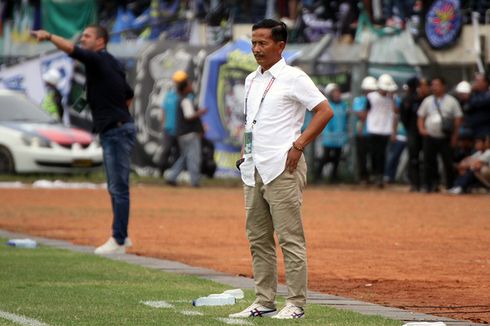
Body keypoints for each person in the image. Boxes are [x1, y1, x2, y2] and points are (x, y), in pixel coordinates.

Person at [230, 19, 333, 320]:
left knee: (290, 238)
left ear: (280, 45)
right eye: (254, 42)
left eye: (263, 43)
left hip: (282, 166)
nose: (256, 49)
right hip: (253, 166)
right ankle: (264, 301)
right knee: (258, 238)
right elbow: (252, 122)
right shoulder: (252, 80)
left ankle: (296, 304)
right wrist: (244, 152)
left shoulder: (293, 77)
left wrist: (299, 144)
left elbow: (324, 111)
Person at [31, 25, 136, 254]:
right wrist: (116, 112)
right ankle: (123, 236)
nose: (83, 39)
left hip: (116, 131)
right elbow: (128, 95)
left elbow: (71, 49)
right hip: (118, 128)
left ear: (100, 42)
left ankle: (118, 240)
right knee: (118, 187)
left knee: (118, 188)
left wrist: (48, 36)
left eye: (88, 36)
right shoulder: (111, 63)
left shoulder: (97, 59)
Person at [417, 77, 463, 192]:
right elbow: (421, 116)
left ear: (444, 86)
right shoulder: (427, 101)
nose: (434, 87)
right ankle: (430, 185)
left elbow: (458, 119)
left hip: (445, 137)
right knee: (428, 161)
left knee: (448, 161)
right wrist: (422, 129)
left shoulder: (451, 101)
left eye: (437, 85)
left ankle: (450, 185)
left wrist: (454, 136)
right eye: (432, 85)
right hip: (430, 136)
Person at [164, 70, 207, 187]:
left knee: (185, 157)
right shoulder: (186, 99)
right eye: (188, 84)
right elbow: (189, 116)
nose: (191, 85)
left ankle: (171, 176)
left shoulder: (181, 98)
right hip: (189, 133)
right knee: (194, 157)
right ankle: (195, 181)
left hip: (182, 133)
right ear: (184, 88)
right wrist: (200, 113)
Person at [366, 73, 398, 188]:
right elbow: (365, 111)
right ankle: (374, 175)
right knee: (374, 154)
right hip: (373, 129)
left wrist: (393, 131)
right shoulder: (371, 97)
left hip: (385, 130)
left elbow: (395, 113)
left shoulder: (392, 99)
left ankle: (380, 176)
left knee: (382, 154)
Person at [399, 77, 430, 191]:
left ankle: (427, 183)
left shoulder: (427, 99)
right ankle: (415, 183)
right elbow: (404, 117)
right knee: (414, 158)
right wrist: (410, 129)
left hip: (426, 131)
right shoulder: (408, 100)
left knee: (427, 158)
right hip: (413, 131)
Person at [314, 83, 348, 183]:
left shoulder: (343, 105)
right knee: (325, 157)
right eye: (334, 93)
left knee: (337, 158)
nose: (337, 95)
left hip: (340, 136)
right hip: (328, 136)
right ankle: (318, 176)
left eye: (338, 92)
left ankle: (334, 177)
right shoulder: (327, 105)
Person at [352, 76, 377, 184]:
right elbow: (361, 115)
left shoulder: (377, 101)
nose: (370, 93)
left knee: (374, 156)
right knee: (362, 156)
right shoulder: (359, 100)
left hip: (374, 132)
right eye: (368, 90)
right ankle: (363, 177)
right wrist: (369, 107)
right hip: (362, 133)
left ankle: (374, 176)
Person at [158, 79, 180, 176]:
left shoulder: (183, 96)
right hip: (168, 128)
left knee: (178, 153)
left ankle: (174, 175)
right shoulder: (168, 95)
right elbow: (163, 110)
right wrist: (163, 124)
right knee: (166, 150)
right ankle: (161, 172)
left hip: (180, 130)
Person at [466, 73, 490, 138]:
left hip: (484, 130)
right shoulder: (474, 94)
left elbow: (475, 103)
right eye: (475, 81)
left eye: (478, 81)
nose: (475, 83)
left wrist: (470, 92)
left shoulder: (487, 95)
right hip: (472, 129)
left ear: (485, 83)